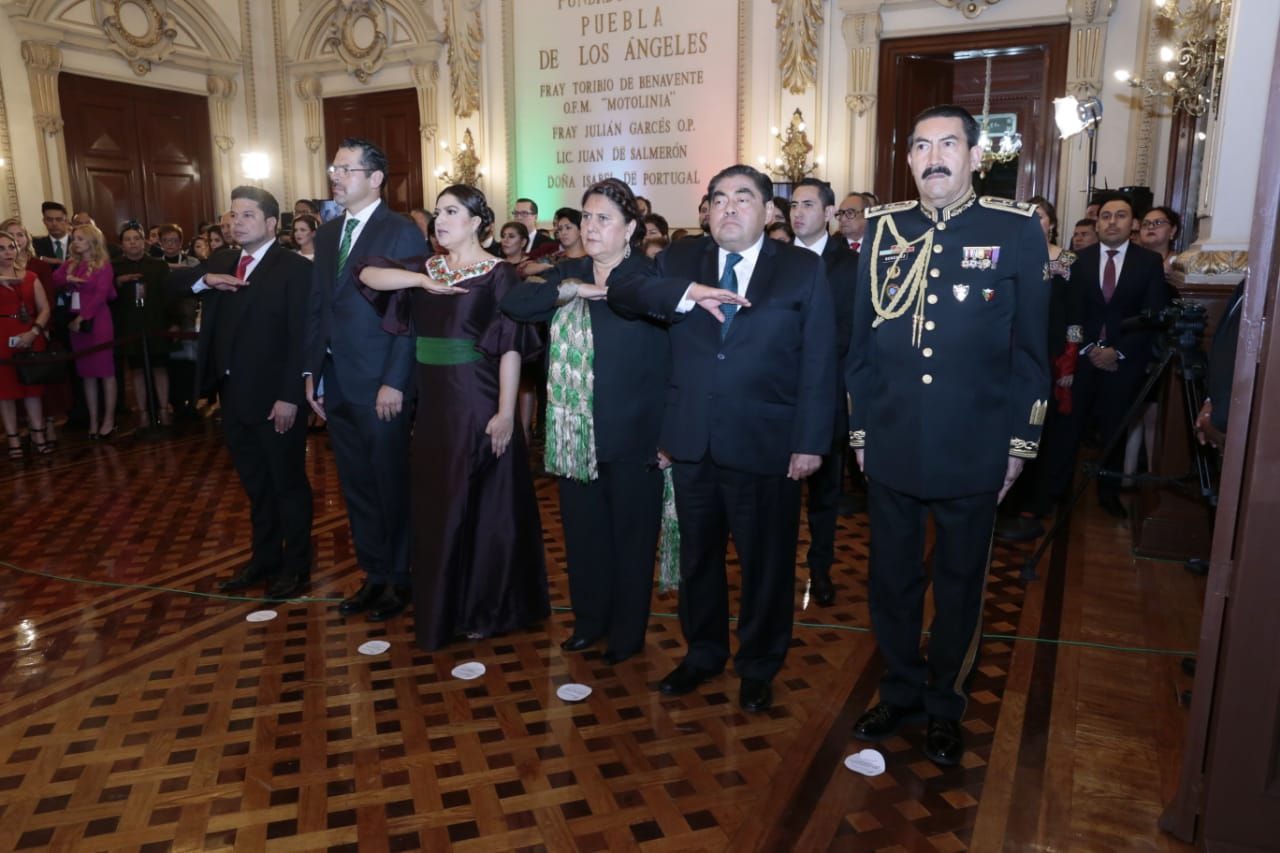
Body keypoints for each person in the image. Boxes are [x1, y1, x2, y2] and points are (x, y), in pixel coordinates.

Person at [846, 104, 1050, 767]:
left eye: (948, 144)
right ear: (907, 159)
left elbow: (1030, 355)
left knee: (961, 583)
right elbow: (859, 347)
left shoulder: (1014, 229)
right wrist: (860, 431)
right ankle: (900, 689)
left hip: (975, 445)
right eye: (921, 145)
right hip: (894, 439)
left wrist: (1019, 446)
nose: (933, 156)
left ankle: (945, 702)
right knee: (892, 579)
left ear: (973, 157)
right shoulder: (882, 230)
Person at [607, 164, 837, 714]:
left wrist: (810, 441)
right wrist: (686, 294)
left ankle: (759, 664)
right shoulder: (681, 259)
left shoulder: (801, 268)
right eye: (718, 199)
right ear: (706, 210)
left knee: (767, 563)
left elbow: (821, 361)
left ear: (767, 212)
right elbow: (623, 289)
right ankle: (703, 653)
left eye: (742, 198)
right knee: (699, 560)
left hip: (769, 443)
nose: (728, 207)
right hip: (691, 440)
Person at [356, 184, 548, 650]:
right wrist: (420, 281)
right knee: (438, 505)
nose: (440, 220)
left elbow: (508, 349)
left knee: (483, 505)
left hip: (478, 399)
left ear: (478, 221)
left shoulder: (499, 274)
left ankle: (486, 606)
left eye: (452, 212)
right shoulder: (426, 267)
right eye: (438, 212)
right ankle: (445, 602)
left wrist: (506, 413)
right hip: (435, 406)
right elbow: (366, 274)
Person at [502, 178, 670, 664]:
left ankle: (626, 632)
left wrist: (668, 436)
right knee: (583, 536)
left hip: (636, 433)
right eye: (588, 217)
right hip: (576, 434)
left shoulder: (649, 277)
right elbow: (513, 303)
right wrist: (571, 289)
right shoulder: (567, 270)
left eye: (604, 219)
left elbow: (674, 360)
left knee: (632, 540)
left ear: (630, 228)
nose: (592, 227)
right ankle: (589, 622)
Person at [303, 137, 428, 622]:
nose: (336, 176)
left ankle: (400, 578)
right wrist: (311, 372)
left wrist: (395, 380)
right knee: (356, 485)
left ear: (375, 178)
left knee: (390, 483)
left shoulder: (400, 232)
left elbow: (411, 312)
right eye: (334, 168)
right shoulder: (330, 233)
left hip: (380, 382)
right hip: (336, 380)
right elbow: (319, 307)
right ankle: (374, 573)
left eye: (347, 169)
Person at [182, 187, 313, 599]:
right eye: (233, 215)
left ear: (272, 223)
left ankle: (297, 567)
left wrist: (290, 396)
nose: (236, 222)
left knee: (287, 486)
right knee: (256, 486)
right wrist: (205, 279)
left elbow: (301, 338)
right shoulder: (223, 260)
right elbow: (173, 285)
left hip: (277, 399)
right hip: (233, 396)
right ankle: (264, 559)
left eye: (247, 215)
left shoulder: (293, 268)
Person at [1044, 192, 1168, 519]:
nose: (1112, 222)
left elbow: (1152, 316)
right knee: (1067, 429)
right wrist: (1087, 349)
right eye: (1106, 216)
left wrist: (1118, 352)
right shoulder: (1078, 260)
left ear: (1133, 224)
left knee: (1114, 429)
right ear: (1098, 223)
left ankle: (1108, 493)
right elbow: (1072, 314)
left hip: (1123, 362)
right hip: (1082, 360)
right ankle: (1057, 493)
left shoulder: (1148, 263)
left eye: (1120, 216)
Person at [789, 177, 859, 606]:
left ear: (829, 213)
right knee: (777, 493)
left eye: (809, 205)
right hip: (776, 396)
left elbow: (848, 334)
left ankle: (820, 570)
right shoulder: (774, 257)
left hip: (826, 394)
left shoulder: (849, 265)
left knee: (823, 496)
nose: (799, 213)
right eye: (794, 204)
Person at [995, 195, 1082, 540]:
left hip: (1050, 353)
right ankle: (1004, 497)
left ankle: (1034, 501)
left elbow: (1075, 314)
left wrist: (1070, 357)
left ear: (1053, 223)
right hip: (1009, 354)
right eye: (1027, 216)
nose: (1034, 222)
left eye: (1041, 216)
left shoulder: (1069, 260)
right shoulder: (1009, 257)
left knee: (1040, 428)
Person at [1, 219, 64, 446]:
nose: (8, 252)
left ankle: (39, 435)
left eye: (11, 247)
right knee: (5, 392)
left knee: (33, 389)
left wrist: (35, 331)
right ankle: (13, 441)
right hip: (2, 338)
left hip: (30, 334)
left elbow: (45, 307)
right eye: (1, 248)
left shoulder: (30, 276)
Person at [53, 223, 119, 438]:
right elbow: (54, 280)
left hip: (97, 322)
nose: (76, 242)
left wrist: (82, 318)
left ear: (92, 241)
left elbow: (101, 295)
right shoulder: (71, 264)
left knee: (105, 373)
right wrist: (67, 279)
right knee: (87, 375)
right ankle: (93, 421)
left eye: (80, 238)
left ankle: (108, 419)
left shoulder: (103, 265)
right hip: (76, 323)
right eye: (74, 239)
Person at [112, 224, 178, 427]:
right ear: (122, 244)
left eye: (136, 238)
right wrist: (118, 282)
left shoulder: (158, 265)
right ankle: (142, 413)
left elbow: (169, 295)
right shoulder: (114, 267)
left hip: (155, 322)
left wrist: (174, 322)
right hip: (129, 326)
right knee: (137, 370)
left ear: (144, 242)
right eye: (128, 239)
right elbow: (105, 297)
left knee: (160, 367)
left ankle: (163, 409)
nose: (132, 242)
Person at [33, 202, 71, 266]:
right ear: (44, 221)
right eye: (49, 220)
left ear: (66, 221)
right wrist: (41, 258)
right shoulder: (36, 244)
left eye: (58, 219)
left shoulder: (77, 242)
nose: (54, 223)